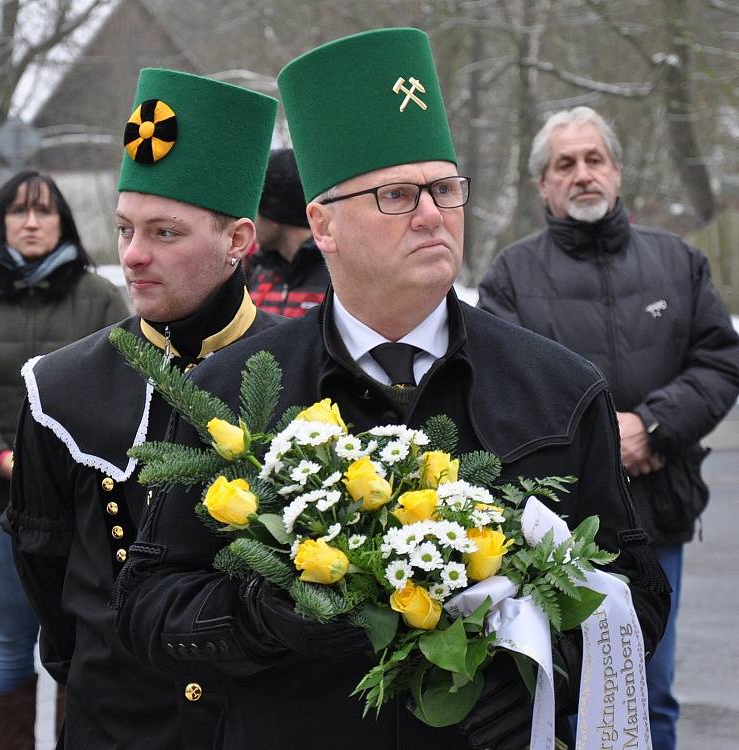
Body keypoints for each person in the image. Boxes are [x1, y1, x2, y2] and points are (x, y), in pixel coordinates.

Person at [114, 31, 670, 750]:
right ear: (323, 224)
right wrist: (260, 615)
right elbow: (146, 608)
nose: (434, 215)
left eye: (444, 189)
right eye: (397, 195)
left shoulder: (558, 387)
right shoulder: (234, 392)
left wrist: (540, 671)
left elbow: (637, 596)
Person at [3, 69, 279, 749]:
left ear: (238, 241)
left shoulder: (307, 374)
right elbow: (47, 572)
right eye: (125, 228)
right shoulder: (60, 389)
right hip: (116, 720)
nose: (132, 256)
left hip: (262, 720)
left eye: (164, 233)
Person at [477, 105, 739, 750]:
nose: (582, 174)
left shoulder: (678, 263)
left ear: (617, 172)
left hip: (659, 512)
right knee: (562, 697)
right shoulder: (510, 276)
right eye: (565, 164)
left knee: (651, 697)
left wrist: (651, 427)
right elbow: (498, 388)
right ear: (543, 184)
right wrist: (603, 443)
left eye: (595, 159)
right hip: (554, 529)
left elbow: (719, 358)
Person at [0, 169, 128, 749]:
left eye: (45, 211)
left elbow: (122, 384)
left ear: (64, 220)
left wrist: (65, 465)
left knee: (79, 644)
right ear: (1, 223)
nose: (33, 222)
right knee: (11, 644)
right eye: (19, 211)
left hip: (82, 503)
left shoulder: (98, 297)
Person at [248, 147, 329, 316]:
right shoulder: (261, 272)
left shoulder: (336, 276)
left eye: (256, 209)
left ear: (275, 214)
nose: (251, 221)